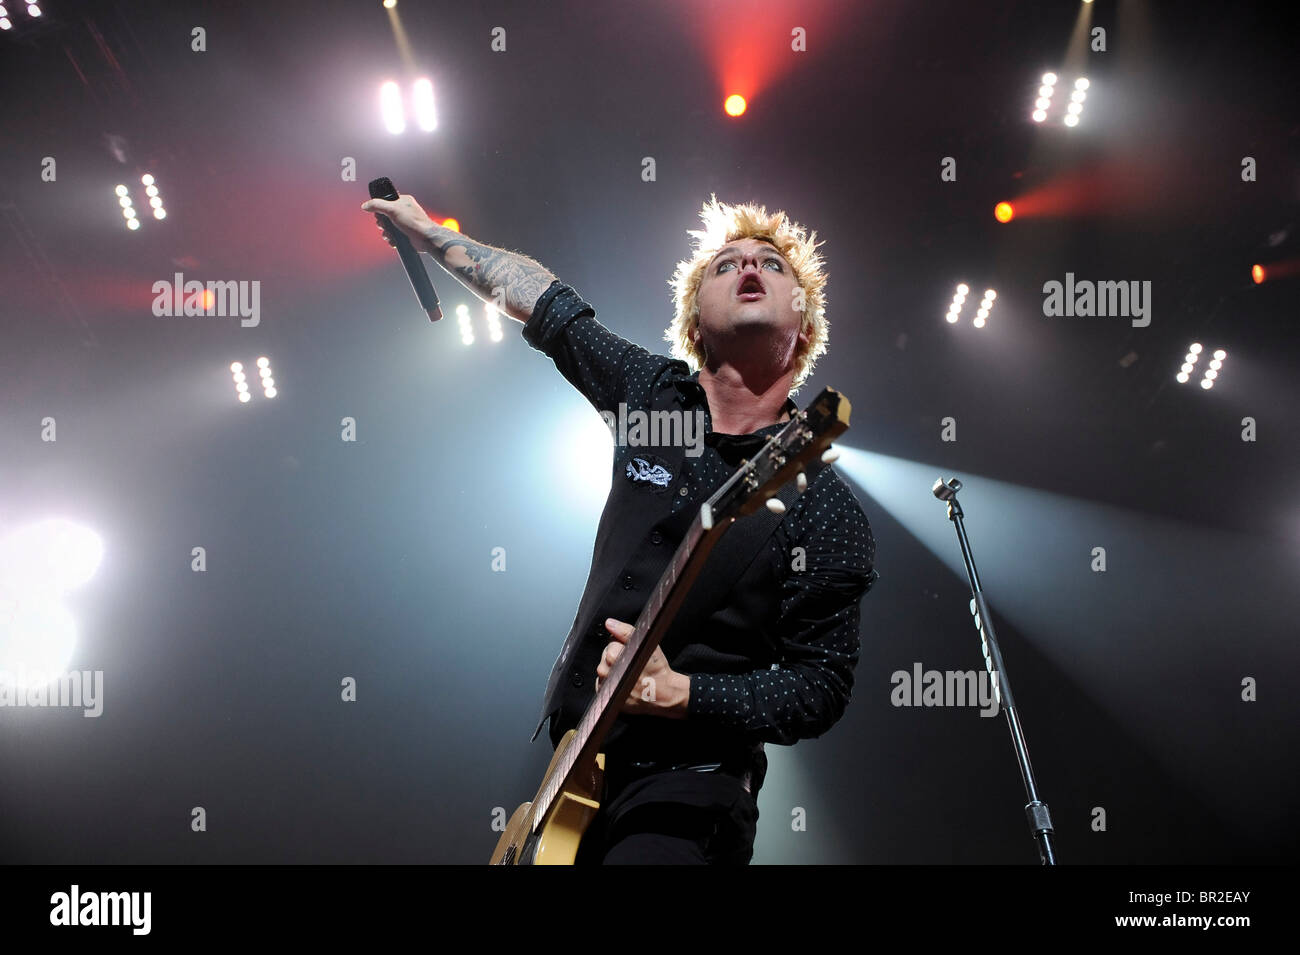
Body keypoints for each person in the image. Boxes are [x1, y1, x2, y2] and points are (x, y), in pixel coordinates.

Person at [362, 192, 877, 864]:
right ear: (695, 317)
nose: (749, 266)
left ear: (803, 323)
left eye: (772, 264)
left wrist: (685, 692)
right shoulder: (654, 399)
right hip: (568, 775)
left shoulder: (825, 504)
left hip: (690, 790)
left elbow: (820, 687)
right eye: (727, 264)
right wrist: (428, 233)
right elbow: (547, 304)